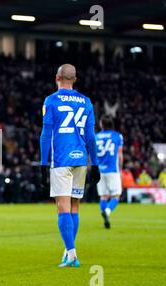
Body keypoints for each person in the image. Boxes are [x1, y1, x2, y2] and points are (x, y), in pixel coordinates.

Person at [40, 64, 100, 268]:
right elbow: (91, 137)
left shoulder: (51, 100)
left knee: (62, 207)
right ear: (75, 79)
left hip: (61, 159)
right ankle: (68, 252)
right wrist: (96, 163)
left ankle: (72, 254)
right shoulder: (86, 102)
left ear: (57, 77)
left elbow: (46, 134)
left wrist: (43, 162)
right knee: (75, 207)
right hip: (81, 158)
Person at [96, 115, 124, 229]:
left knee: (103, 196)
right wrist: (121, 169)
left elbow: (91, 154)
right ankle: (107, 212)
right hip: (112, 170)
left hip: (99, 170)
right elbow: (120, 154)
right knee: (116, 195)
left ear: (102, 124)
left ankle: (105, 220)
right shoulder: (117, 136)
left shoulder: (96, 136)